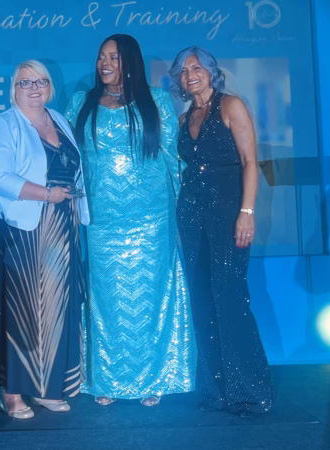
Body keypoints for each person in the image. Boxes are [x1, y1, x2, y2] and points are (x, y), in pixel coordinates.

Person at [65, 34, 194, 407]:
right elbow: (69, 161)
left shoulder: (155, 101)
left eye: (114, 57)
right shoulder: (80, 104)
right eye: (101, 56)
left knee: (152, 295)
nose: (105, 63)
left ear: (131, 62)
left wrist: (192, 204)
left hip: (153, 219)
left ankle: (152, 378)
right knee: (106, 299)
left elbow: (173, 156)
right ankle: (105, 380)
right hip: (102, 221)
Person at [0, 60, 90, 419]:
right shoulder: (3, 124)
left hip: (62, 228)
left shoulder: (59, 120)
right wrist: (45, 194)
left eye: (41, 81)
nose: (34, 88)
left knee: (57, 309)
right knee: (23, 311)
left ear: (50, 87)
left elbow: (74, 170)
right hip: (22, 230)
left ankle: (48, 387)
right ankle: (14, 393)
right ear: (14, 88)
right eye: (26, 82)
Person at [169, 46, 273, 415]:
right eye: (183, 71)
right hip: (191, 213)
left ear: (211, 71)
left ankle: (249, 390)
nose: (189, 75)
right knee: (201, 299)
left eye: (196, 67)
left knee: (229, 296)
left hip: (229, 210)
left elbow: (249, 162)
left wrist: (247, 212)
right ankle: (214, 391)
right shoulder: (184, 119)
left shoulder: (231, 106)